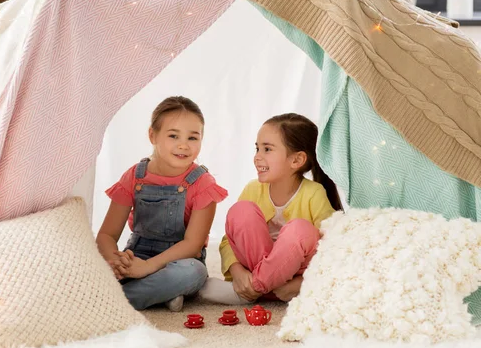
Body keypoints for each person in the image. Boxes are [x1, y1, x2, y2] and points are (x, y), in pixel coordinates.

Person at [96, 96, 228, 311]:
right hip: (137, 255)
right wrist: (116, 261)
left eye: (193, 138)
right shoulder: (134, 176)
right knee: (86, 266)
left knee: (194, 273)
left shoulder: (203, 184)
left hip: (178, 260)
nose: (183, 145)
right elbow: (106, 235)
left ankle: (114, 302)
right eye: (173, 136)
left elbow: (192, 245)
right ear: (152, 135)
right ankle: (161, 293)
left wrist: (147, 268)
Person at [200, 113, 343, 304]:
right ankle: (268, 289)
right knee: (241, 211)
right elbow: (229, 240)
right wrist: (238, 271)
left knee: (300, 229)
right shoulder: (253, 189)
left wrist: (301, 283)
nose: (257, 157)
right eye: (257, 148)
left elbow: (333, 248)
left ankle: (254, 290)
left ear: (296, 160)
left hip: (294, 275)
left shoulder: (314, 193)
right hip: (255, 266)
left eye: (267, 149)